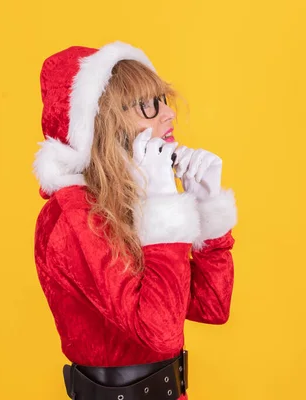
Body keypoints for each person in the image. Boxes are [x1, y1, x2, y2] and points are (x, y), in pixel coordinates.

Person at [32, 41, 237, 400]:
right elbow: (162, 332)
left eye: (162, 100)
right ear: (102, 124)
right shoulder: (72, 216)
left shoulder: (130, 203)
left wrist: (207, 209)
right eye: (147, 105)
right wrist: (163, 203)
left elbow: (211, 306)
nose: (167, 115)